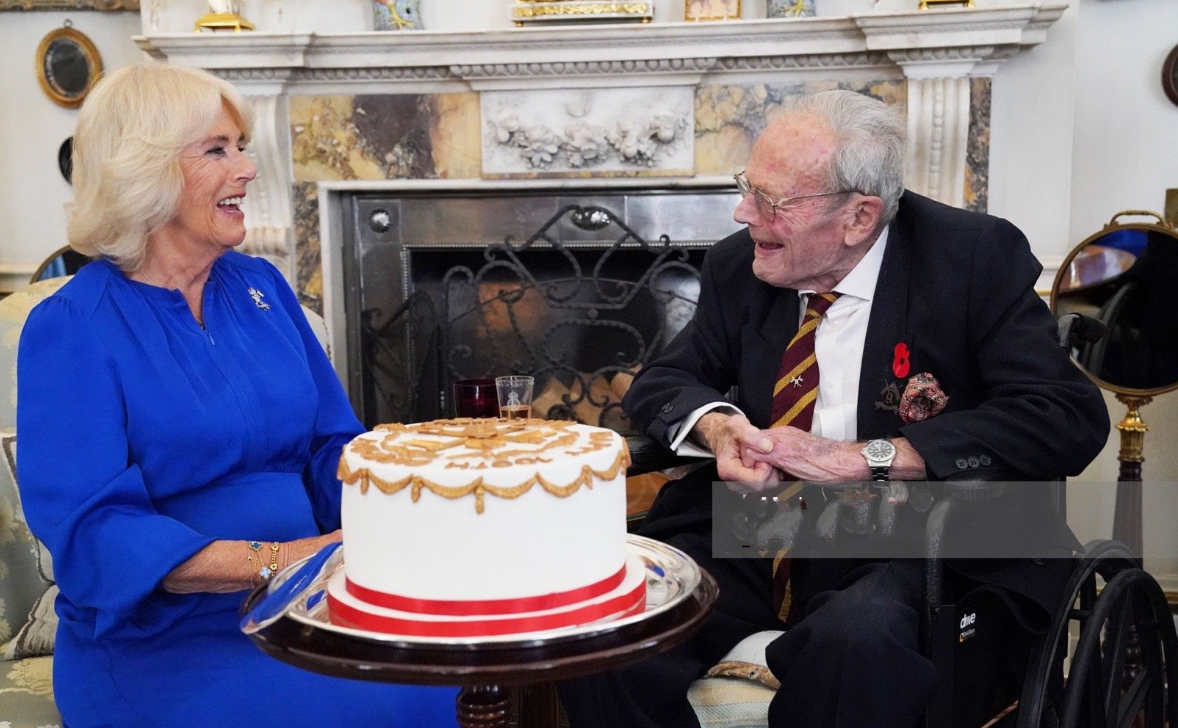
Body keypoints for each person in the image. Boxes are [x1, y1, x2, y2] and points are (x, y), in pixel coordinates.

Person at [558, 90, 1109, 728]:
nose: (743, 214)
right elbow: (666, 379)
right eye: (748, 187)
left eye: (772, 201)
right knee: (608, 620)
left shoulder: (969, 258)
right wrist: (719, 427)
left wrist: (869, 458)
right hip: (757, 532)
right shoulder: (745, 264)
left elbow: (1064, 416)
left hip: (923, 538)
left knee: (855, 641)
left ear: (859, 217)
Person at [16, 64, 458, 728]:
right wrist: (282, 559)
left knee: (463, 660)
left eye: (241, 146)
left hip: (308, 598)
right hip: (166, 641)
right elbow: (95, 536)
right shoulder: (72, 328)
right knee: (387, 703)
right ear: (147, 172)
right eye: (218, 150)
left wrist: (398, 518)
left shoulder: (261, 286)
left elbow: (330, 446)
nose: (248, 169)